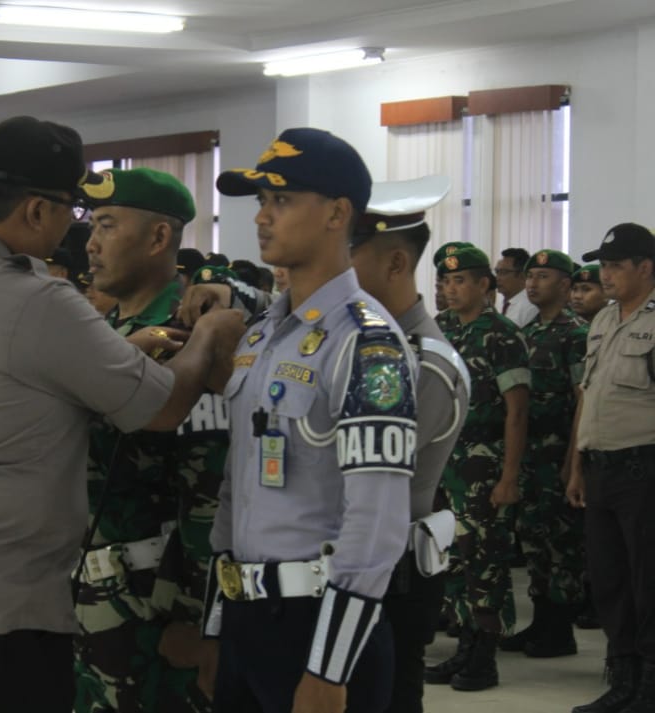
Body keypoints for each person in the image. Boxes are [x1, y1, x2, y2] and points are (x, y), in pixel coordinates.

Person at [0, 116, 245, 713]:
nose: (78, 234)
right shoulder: (36, 300)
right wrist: (210, 335)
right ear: (35, 211)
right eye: (74, 213)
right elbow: (163, 407)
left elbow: (0, 383)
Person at [203, 127, 417, 713]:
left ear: (337, 213)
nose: (263, 218)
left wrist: (330, 666)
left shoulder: (367, 343)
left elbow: (376, 519)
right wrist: (217, 625)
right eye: (261, 203)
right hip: (248, 619)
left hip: (319, 624)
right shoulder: (263, 335)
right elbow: (236, 486)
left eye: (282, 201)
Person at [74, 167, 225, 713]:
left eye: (108, 225)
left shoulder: (188, 341)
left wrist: (193, 615)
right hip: (87, 592)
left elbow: (209, 490)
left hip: (148, 603)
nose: (91, 243)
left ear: (160, 237)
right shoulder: (107, 333)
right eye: (93, 226)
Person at [347, 176, 470, 713]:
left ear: (395, 265)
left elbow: (352, 475)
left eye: (344, 256)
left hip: (391, 577)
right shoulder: (364, 344)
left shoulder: (420, 363)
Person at [426, 246, 529, 692]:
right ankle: (464, 646)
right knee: (451, 561)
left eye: (461, 281)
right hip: (443, 464)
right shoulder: (440, 329)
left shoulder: (502, 335)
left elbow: (517, 413)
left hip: (482, 466)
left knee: (484, 563)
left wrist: (508, 477)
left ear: (484, 286)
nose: (450, 290)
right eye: (446, 282)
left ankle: (484, 657)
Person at [567, 223, 655, 713]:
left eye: (617, 265)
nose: (607, 275)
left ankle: (648, 687)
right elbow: (588, 396)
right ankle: (621, 678)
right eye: (603, 265)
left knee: (648, 583)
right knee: (609, 581)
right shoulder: (600, 322)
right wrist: (578, 466)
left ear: (646, 267)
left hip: (645, 468)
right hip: (601, 469)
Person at [496, 249, 586, 659]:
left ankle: (559, 630)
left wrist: (573, 460)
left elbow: (582, 399)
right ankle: (541, 621)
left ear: (566, 286)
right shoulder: (528, 334)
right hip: (530, 456)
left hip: (557, 457)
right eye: (530, 276)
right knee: (532, 540)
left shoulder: (576, 334)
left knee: (560, 545)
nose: (533, 283)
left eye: (544, 276)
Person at [496, 248, 539, 327]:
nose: (497, 278)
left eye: (503, 272)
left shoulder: (529, 306)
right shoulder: (506, 304)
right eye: (497, 272)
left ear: (522, 276)